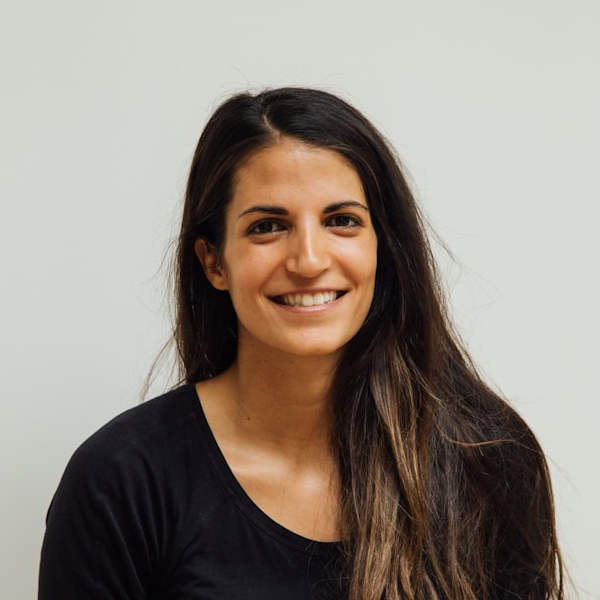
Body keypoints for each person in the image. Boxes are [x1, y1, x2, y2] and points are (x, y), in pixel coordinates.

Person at [38, 87, 566, 599]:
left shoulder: (486, 459)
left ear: (382, 246)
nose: (309, 261)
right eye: (268, 226)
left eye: (342, 221)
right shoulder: (121, 481)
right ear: (214, 261)